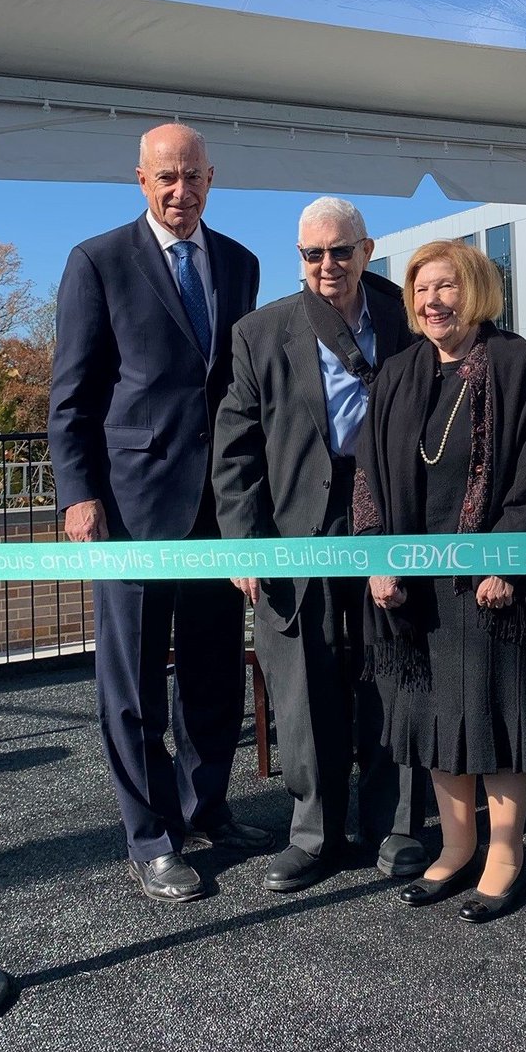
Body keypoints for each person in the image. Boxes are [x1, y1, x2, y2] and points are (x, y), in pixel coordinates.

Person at [48, 123, 271, 904]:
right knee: (134, 680)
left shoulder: (239, 263)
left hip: (222, 503)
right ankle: (149, 837)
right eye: (166, 178)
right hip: (133, 503)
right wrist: (78, 494)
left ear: (213, 176)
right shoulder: (98, 261)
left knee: (213, 668)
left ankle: (206, 807)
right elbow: (71, 395)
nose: (182, 192)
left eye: (194, 177)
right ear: (141, 181)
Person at [212, 197, 428, 894]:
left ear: (366, 250)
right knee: (301, 682)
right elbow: (236, 445)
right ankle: (314, 834)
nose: (327, 266)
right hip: (293, 523)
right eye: (313, 254)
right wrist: (244, 544)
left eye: (341, 251)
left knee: (392, 668)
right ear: (299, 258)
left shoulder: (407, 316)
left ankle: (397, 827)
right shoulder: (260, 332)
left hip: (390, 515)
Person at [353, 240, 526, 924]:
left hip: (487, 580)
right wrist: (376, 558)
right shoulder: (399, 371)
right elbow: (367, 477)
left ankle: (504, 856)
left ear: (474, 291)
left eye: (445, 287)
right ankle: (456, 847)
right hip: (415, 587)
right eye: (420, 290)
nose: (432, 301)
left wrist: (506, 558)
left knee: (495, 717)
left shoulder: (513, 363)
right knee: (435, 719)